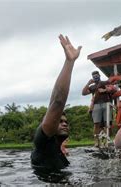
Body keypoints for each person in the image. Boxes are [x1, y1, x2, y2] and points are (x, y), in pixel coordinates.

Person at [31, 34, 81, 173]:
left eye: (66, 121)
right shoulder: (42, 142)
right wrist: (69, 62)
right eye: (60, 121)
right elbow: (57, 102)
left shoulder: (58, 152)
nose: (65, 123)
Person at [82, 70, 115, 147]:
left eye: (96, 76)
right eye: (94, 76)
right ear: (92, 77)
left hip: (106, 104)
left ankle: (107, 140)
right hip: (96, 105)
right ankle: (96, 141)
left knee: (108, 124)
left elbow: (113, 88)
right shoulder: (92, 86)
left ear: (99, 75)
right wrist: (88, 83)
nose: (95, 77)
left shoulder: (105, 82)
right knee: (96, 124)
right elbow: (83, 93)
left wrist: (105, 90)